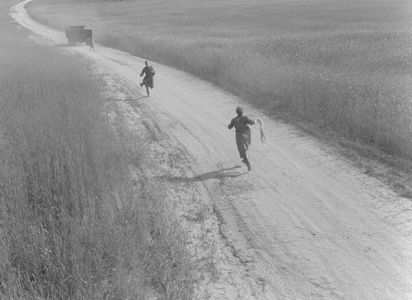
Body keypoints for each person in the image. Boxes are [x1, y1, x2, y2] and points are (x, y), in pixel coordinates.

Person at [228, 106, 257, 171]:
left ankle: (246, 161)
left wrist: (231, 124)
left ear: (236, 112)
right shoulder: (245, 118)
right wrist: (256, 120)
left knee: (241, 150)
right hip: (246, 135)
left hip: (238, 136)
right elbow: (252, 122)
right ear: (242, 112)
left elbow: (229, 127)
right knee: (246, 147)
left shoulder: (234, 120)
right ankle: (246, 159)